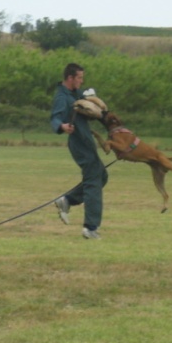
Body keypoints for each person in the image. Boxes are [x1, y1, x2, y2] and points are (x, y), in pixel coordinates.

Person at [50, 62, 108, 239]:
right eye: (79, 78)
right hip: (78, 143)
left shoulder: (76, 94)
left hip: (87, 141)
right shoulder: (62, 97)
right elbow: (54, 117)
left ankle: (67, 200)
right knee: (93, 181)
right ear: (70, 78)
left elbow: (92, 106)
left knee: (102, 176)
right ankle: (90, 228)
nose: (82, 81)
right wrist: (62, 126)